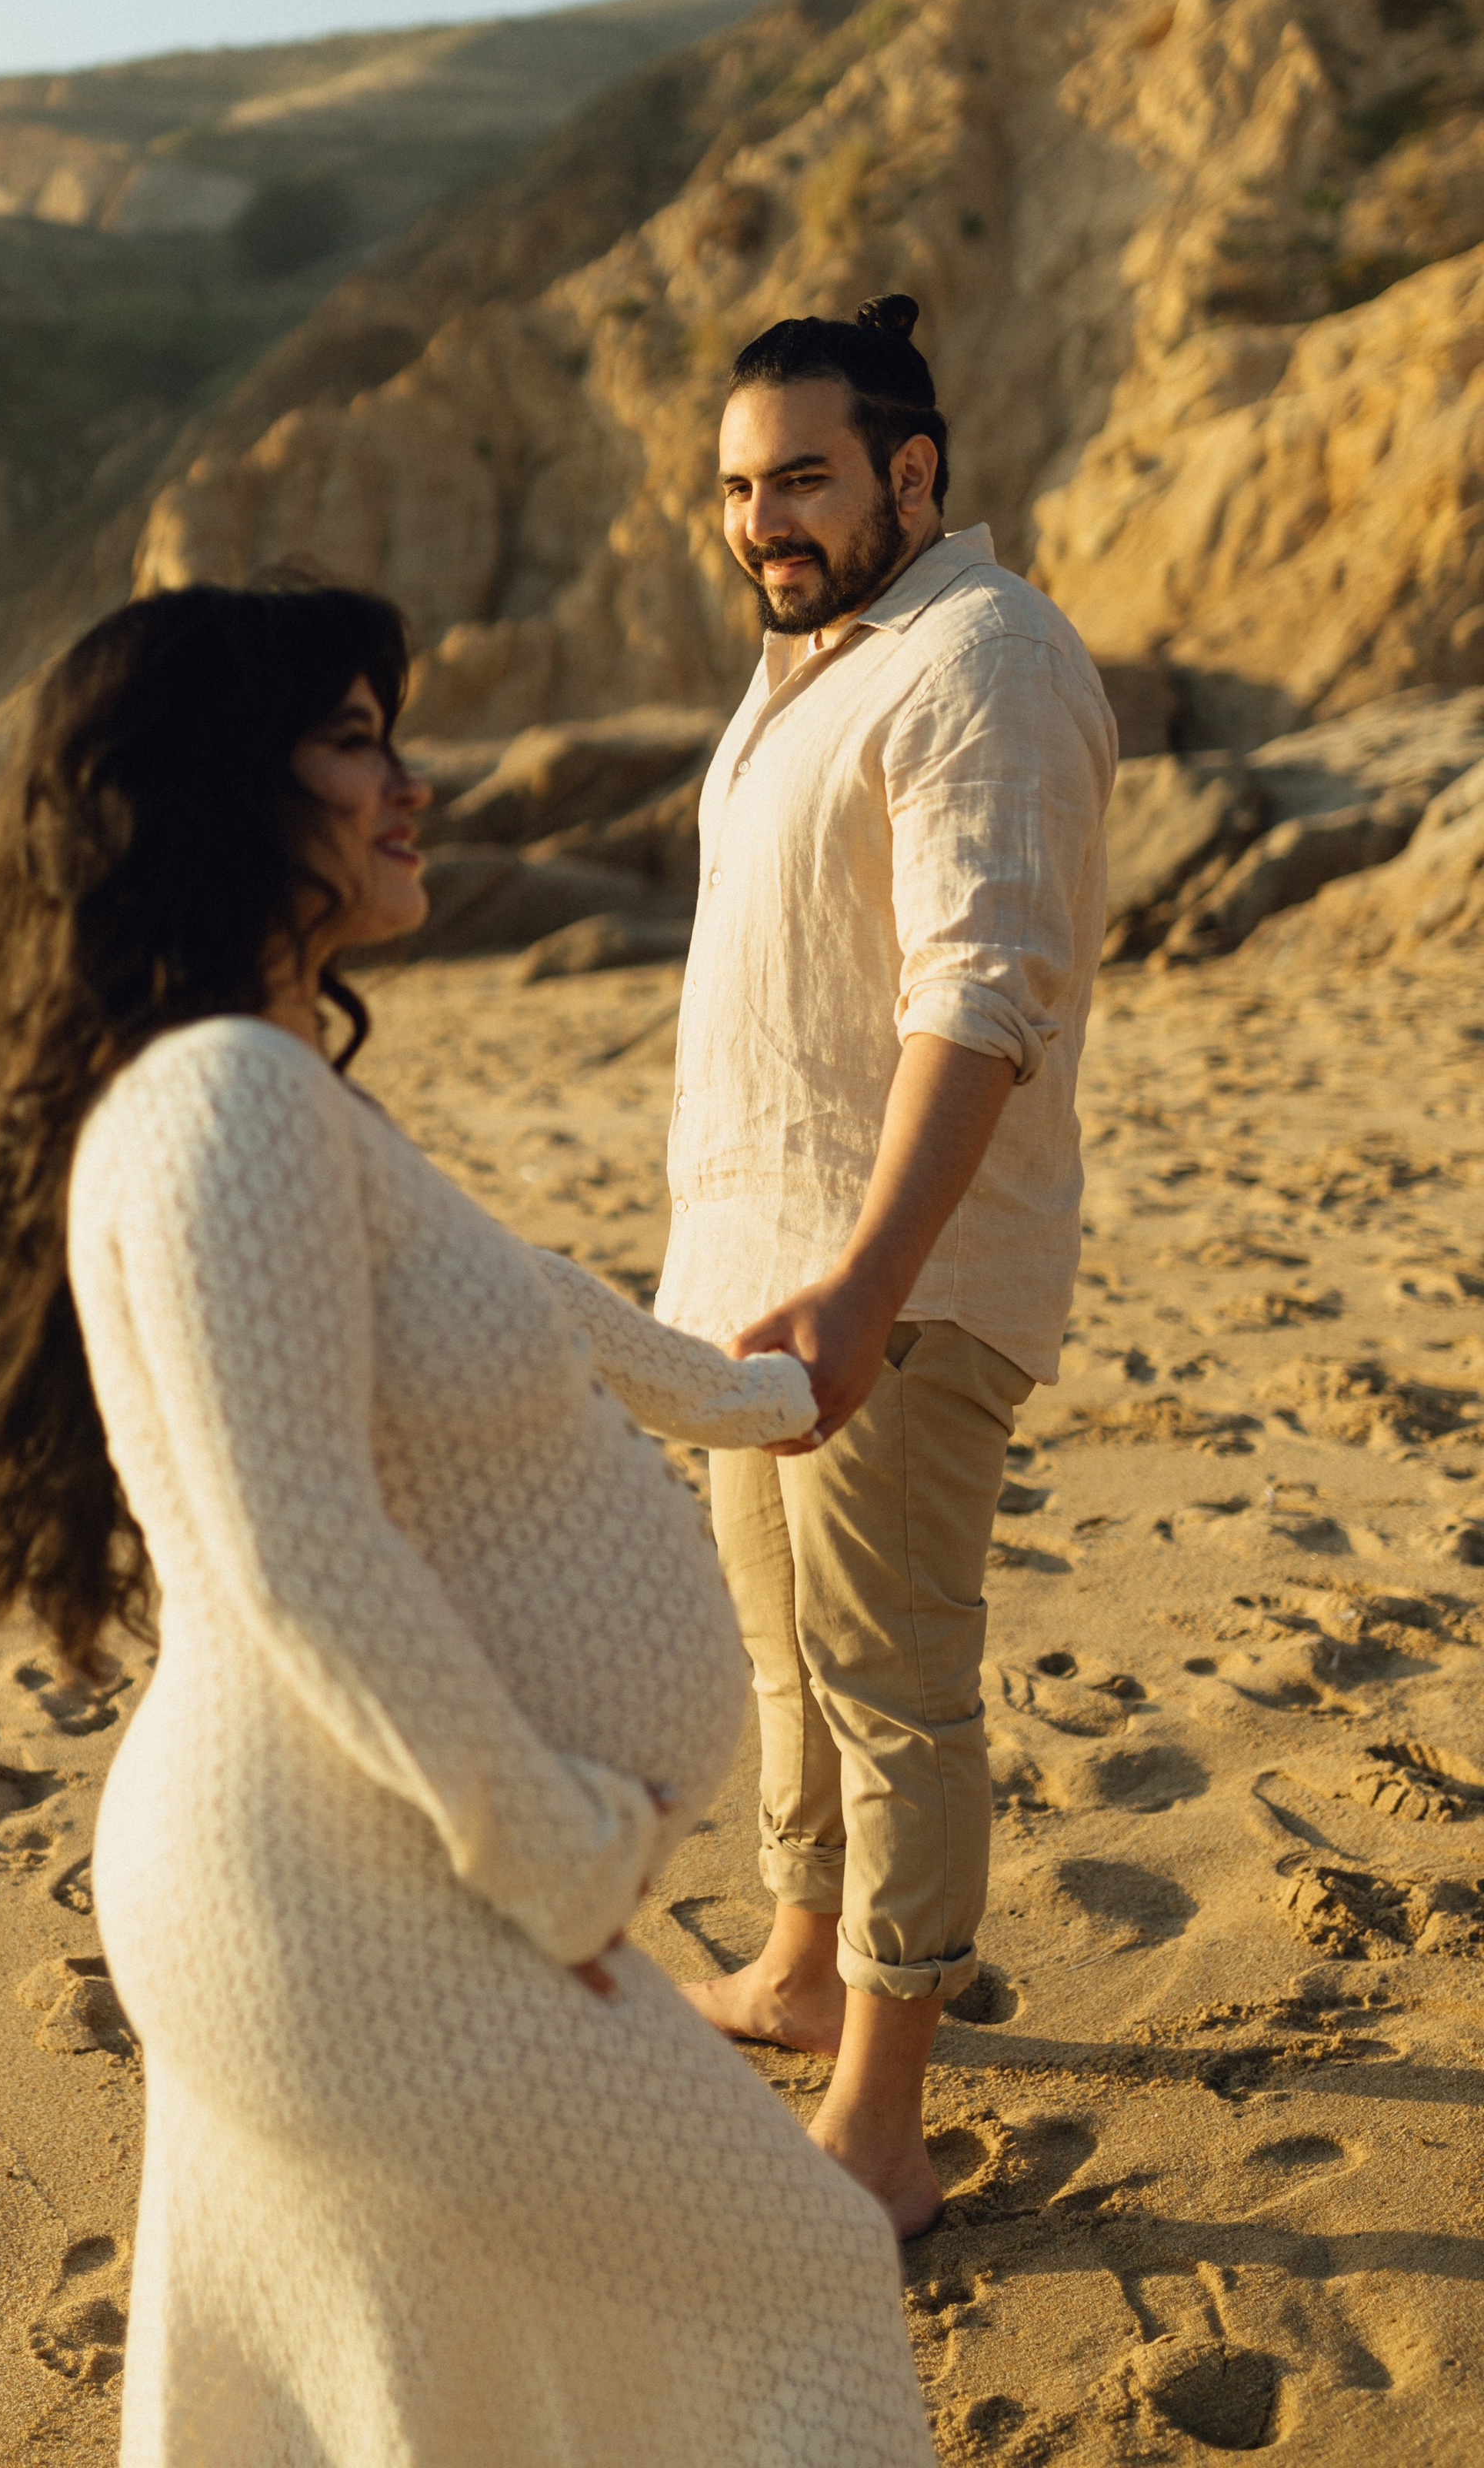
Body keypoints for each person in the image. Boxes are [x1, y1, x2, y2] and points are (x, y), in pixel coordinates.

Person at [0, 577, 938, 2468]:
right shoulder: (225, 1098)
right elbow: (295, 1551)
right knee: (801, 2281)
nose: (409, 784)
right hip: (346, 1893)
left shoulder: (263, 1090)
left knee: (403, 2395)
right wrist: (552, 1853)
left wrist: (762, 1397)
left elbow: (529, 1308)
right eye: (351, 742)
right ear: (215, 788)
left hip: (337, 1866)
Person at [661, 300, 1116, 2239]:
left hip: (896, 1289)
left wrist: (861, 1287)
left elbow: (982, 992)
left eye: (802, 478)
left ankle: (880, 2125)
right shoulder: (811, 662)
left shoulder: (980, 656)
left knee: (892, 1692)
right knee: (785, 1661)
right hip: (750, 1280)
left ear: (909, 473)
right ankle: (796, 1967)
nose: (761, 519)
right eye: (737, 487)